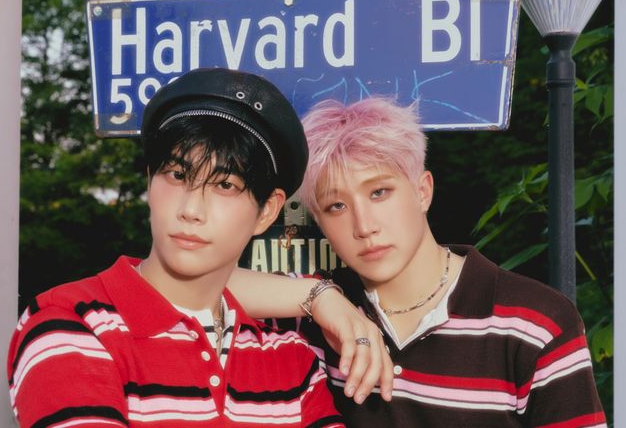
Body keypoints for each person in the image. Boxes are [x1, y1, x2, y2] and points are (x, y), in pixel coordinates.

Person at [228, 97, 607, 427]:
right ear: (320, 222)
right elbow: (196, 286)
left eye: (379, 192)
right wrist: (321, 297)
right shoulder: (313, 314)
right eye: (336, 206)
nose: (364, 226)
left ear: (422, 191)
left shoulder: (536, 323)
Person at [6, 68, 349, 428]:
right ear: (149, 180)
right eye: (177, 175)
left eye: (226, 185)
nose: (191, 209)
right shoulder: (70, 323)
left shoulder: (291, 358)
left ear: (267, 211)